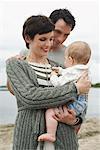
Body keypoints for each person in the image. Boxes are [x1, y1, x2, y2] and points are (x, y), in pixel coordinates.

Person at [6, 15, 91, 150]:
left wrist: (74, 120)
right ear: (28, 38)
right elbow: (29, 97)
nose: (49, 44)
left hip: (64, 138)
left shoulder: (60, 67)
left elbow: (81, 103)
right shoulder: (16, 64)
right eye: (43, 39)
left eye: (50, 39)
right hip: (28, 137)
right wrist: (74, 89)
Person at [38, 41, 91, 142]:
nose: (64, 61)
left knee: (50, 112)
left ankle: (51, 134)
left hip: (73, 104)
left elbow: (58, 83)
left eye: (65, 59)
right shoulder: (83, 71)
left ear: (70, 59)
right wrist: (60, 70)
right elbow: (69, 72)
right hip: (80, 104)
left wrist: (53, 75)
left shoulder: (73, 73)